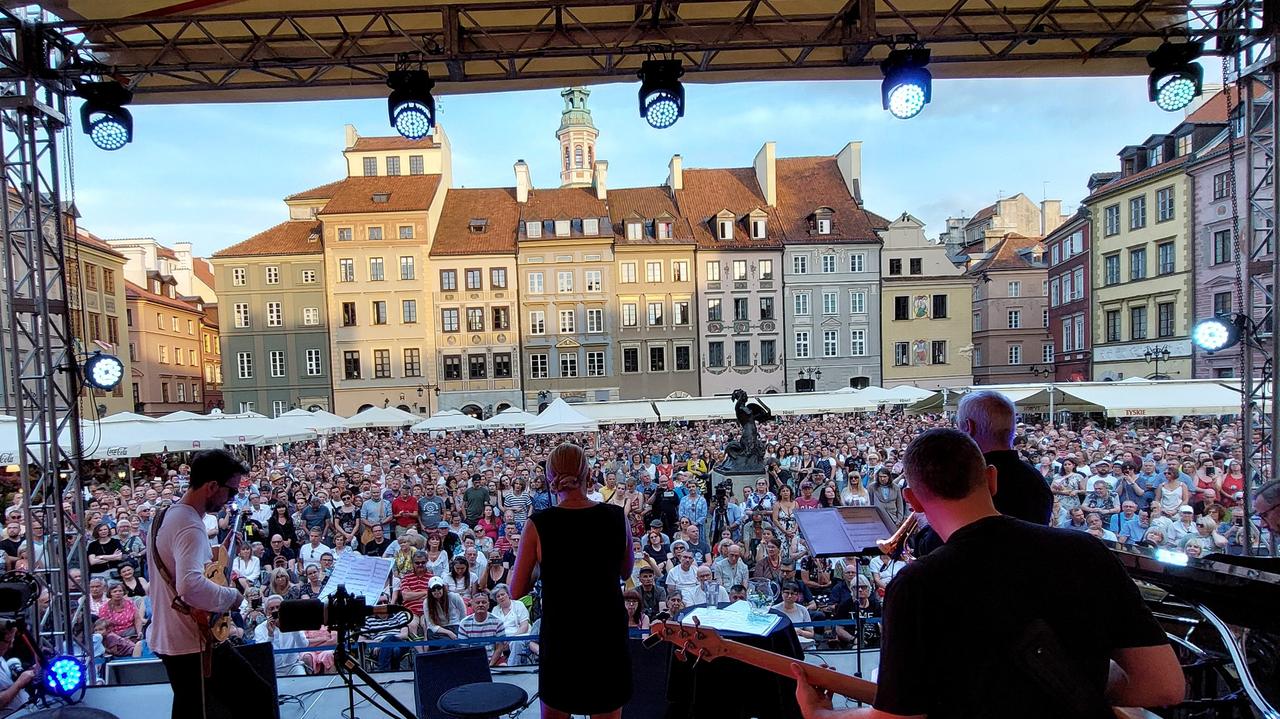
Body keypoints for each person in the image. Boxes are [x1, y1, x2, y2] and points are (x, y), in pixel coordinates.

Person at [790, 428, 1183, 719]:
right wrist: (1081, 672)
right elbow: (1166, 686)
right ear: (992, 479)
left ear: (911, 500)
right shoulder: (1086, 550)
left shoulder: (917, 585)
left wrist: (820, 714)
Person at [512, 442, 633, 719]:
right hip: (606, 638)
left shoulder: (538, 524)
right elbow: (625, 572)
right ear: (588, 474)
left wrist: (541, 567)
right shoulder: (616, 517)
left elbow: (516, 589)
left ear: (551, 478)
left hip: (562, 639)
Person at [147, 449, 266, 719]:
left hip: (172, 636)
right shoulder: (190, 525)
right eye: (231, 492)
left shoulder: (166, 515)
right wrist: (233, 597)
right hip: (193, 640)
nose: (231, 499)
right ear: (212, 486)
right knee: (258, 697)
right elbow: (190, 587)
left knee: (190, 708)